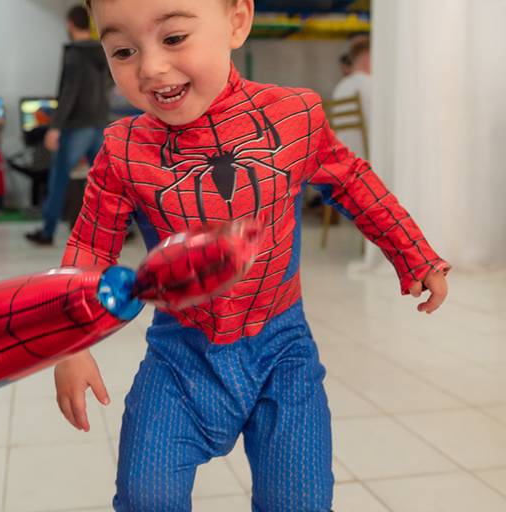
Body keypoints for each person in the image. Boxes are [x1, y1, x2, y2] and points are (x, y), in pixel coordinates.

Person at [53, 1, 450, 511]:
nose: (150, 67)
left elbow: (352, 181)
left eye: (173, 38)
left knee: (299, 499)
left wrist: (412, 252)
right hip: (179, 355)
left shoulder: (294, 115)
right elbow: (90, 245)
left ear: (237, 21)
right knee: (146, 493)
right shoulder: (123, 150)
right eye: (124, 51)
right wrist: (71, 342)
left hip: (283, 350)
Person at [25, 4, 111, 246]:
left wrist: (55, 126)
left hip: (77, 125)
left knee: (59, 178)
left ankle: (47, 232)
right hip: (99, 122)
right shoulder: (103, 52)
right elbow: (110, 83)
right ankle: (120, 230)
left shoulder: (75, 53)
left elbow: (69, 92)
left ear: (71, 24)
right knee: (106, 181)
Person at [332, 36, 371, 158]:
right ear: (367, 57)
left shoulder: (340, 86)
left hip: (343, 157)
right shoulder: (370, 83)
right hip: (367, 158)